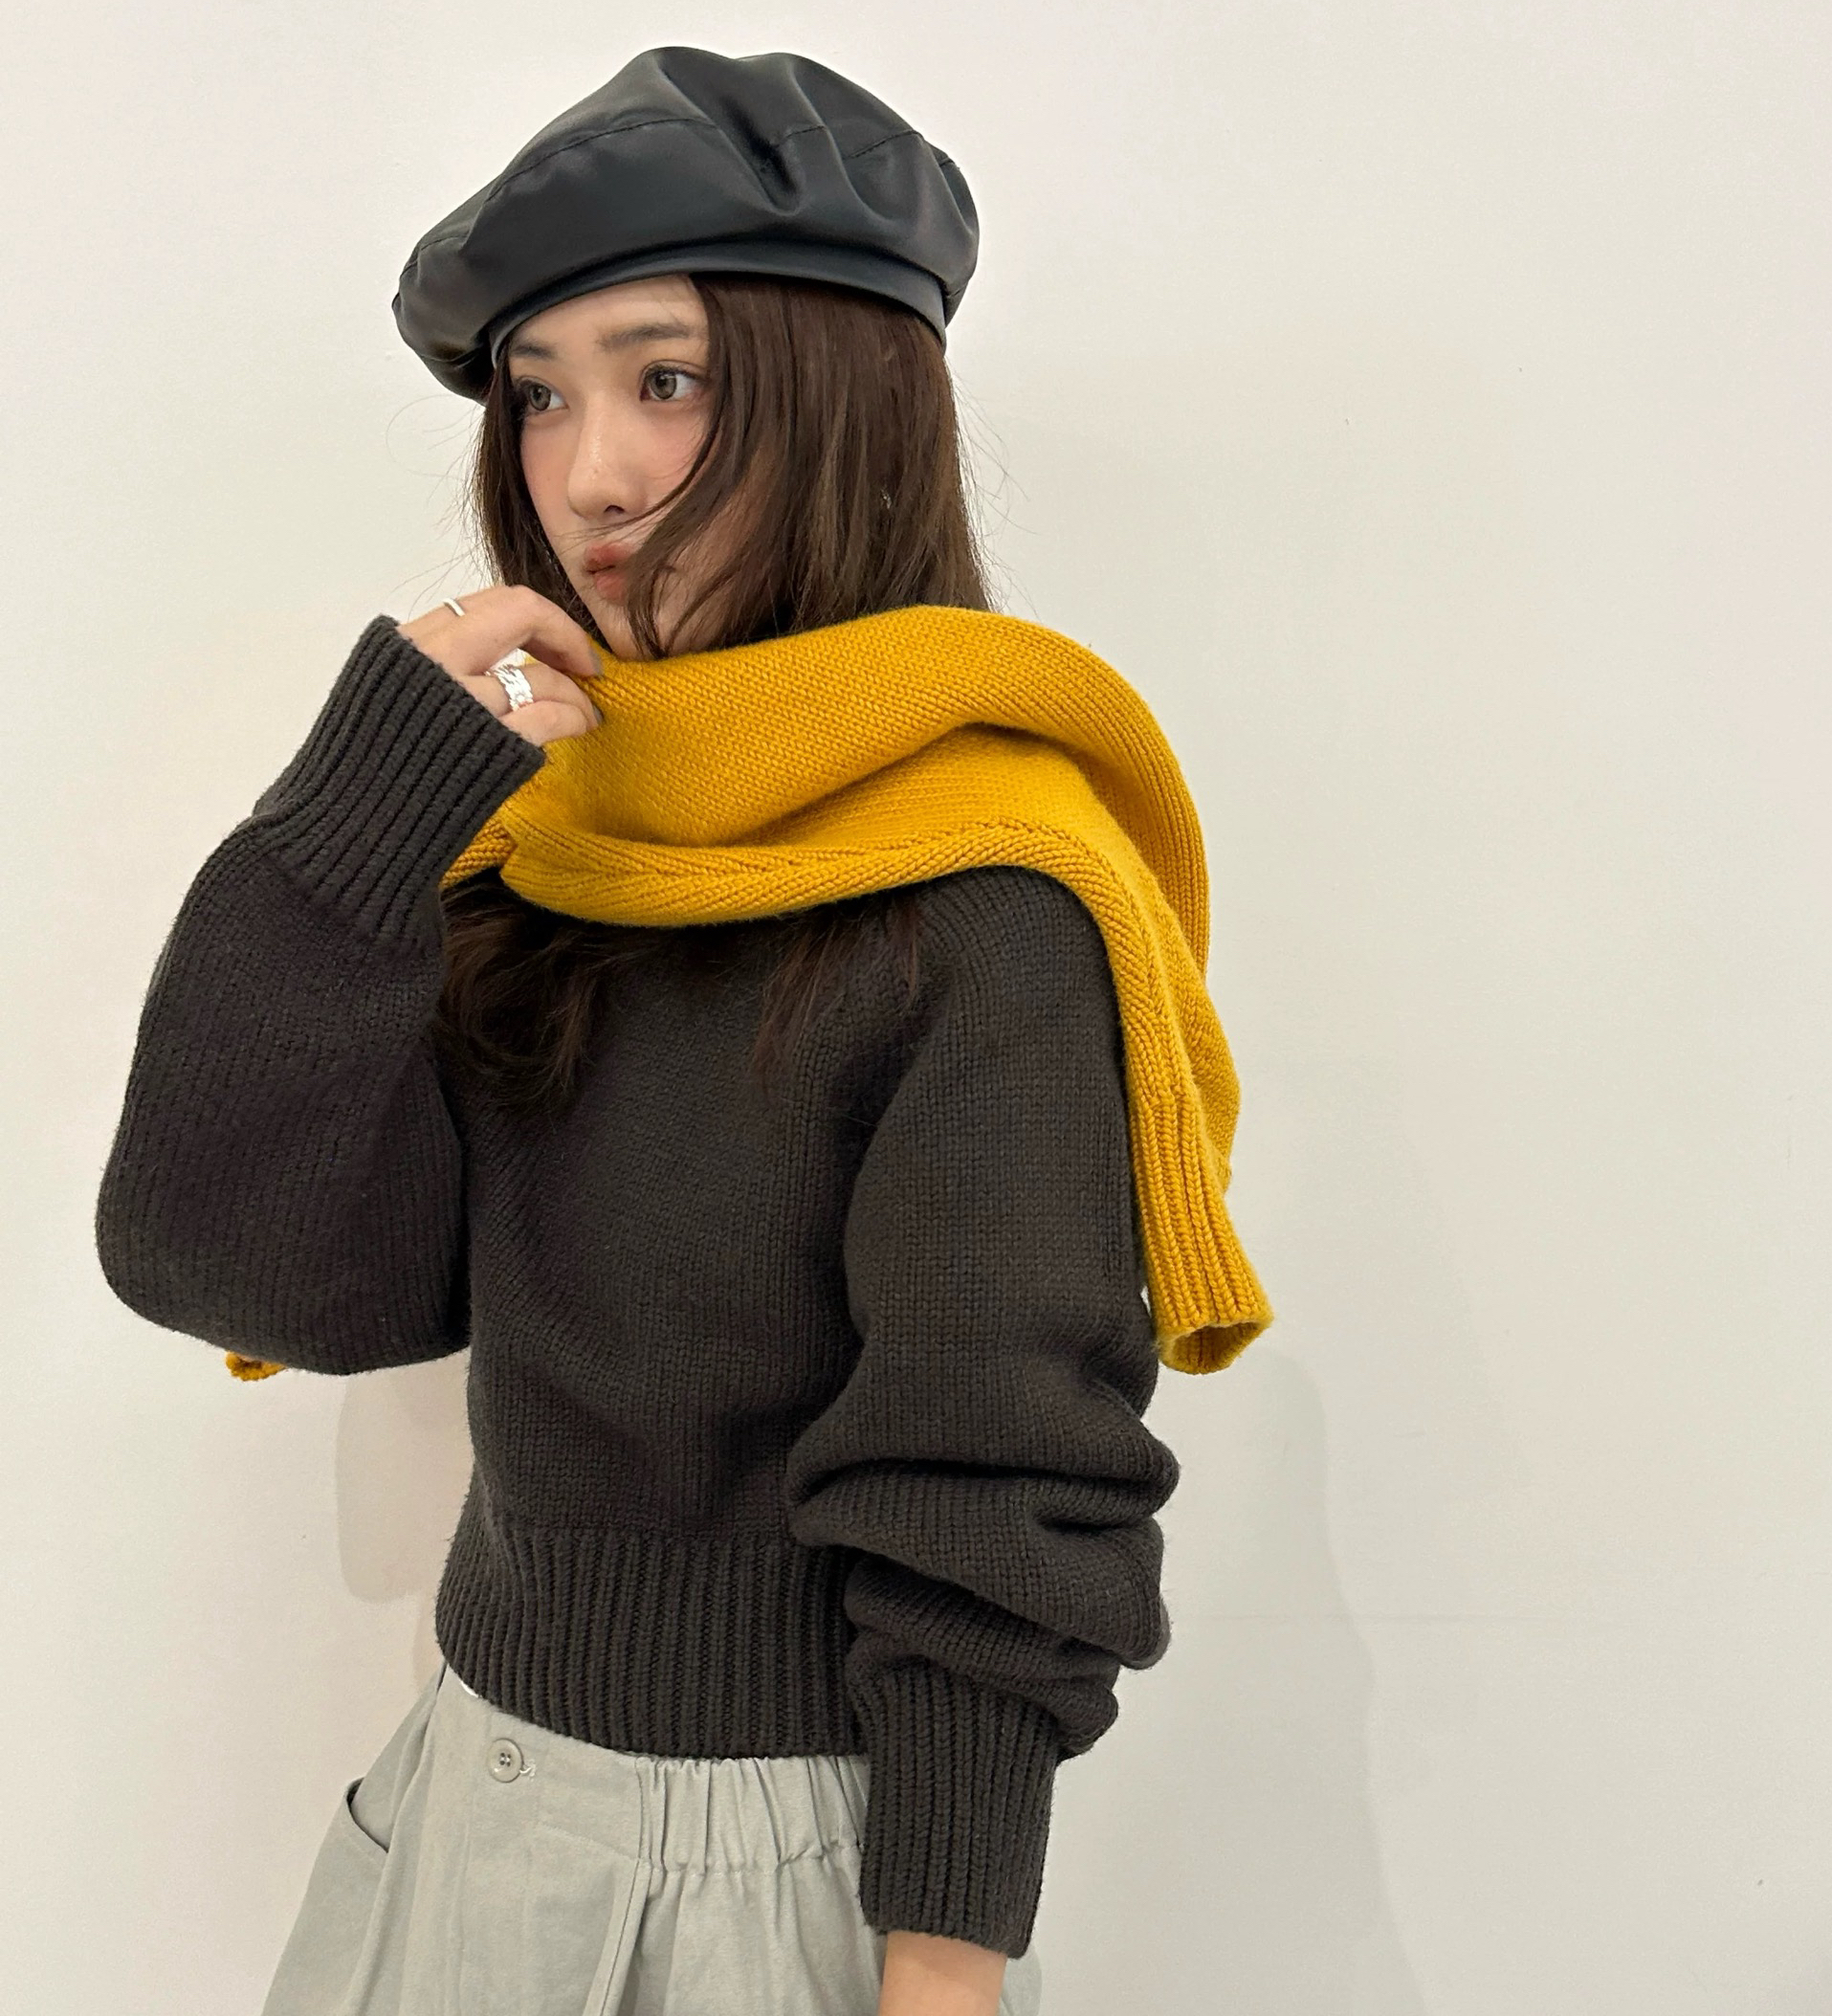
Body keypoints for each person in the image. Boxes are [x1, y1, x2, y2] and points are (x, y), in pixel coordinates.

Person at [94, 45, 1269, 2016]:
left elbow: (996, 1482)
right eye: (541, 393)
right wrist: (359, 814)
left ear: (850, 399)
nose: (588, 476)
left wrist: (942, 1971)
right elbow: (236, 1269)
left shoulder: (988, 900)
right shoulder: (550, 850)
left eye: (667, 378)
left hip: (770, 1871)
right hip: (456, 1787)